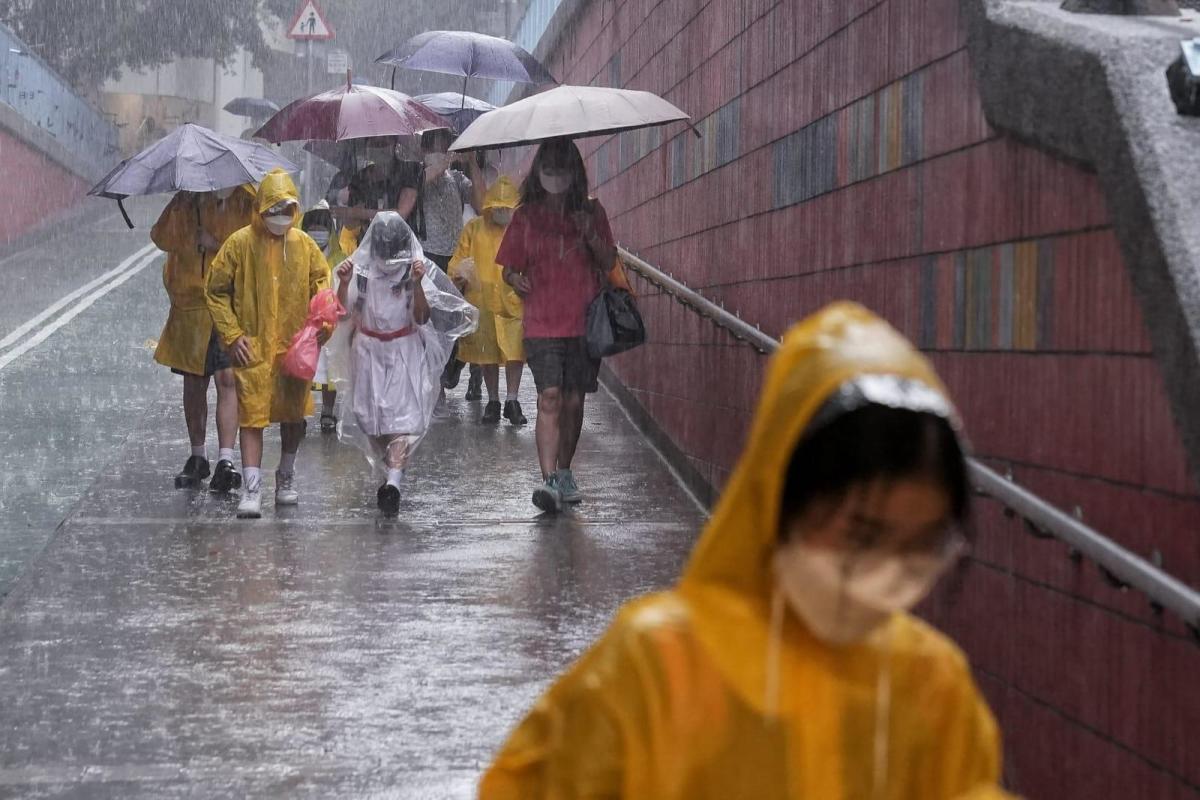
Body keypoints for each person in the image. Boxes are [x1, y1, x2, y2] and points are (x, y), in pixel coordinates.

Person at [479, 303, 1015, 800]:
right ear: (779, 497)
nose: (892, 571)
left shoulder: (932, 689)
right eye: (863, 534)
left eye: (923, 544)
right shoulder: (656, 672)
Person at [496, 137, 618, 513]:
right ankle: (549, 482)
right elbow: (508, 270)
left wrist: (589, 232)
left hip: (583, 322)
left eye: (561, 169)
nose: (555, 176)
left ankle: (565, 471)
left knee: (573, 400)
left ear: (574, 172)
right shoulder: (526, 216)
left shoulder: (592, 211)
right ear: (539, 172)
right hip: (542, 323)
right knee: (549, 397)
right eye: (548, 169)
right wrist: (517, 281)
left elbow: (610, 259)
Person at [329, 212, 476, 516]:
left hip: (403, 350)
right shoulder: (361, 273)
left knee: (403, 421)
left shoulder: (413, 272)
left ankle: (394, 482)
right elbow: (342, 315)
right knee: (372, 420)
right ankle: (390, 475)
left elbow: (422, 317)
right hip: (368, 353)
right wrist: (343, 284)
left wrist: (418, 283)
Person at [205, 169, 332, 519]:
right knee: (253, 417)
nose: (280, 218)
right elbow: (216, 291)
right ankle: (252, 486)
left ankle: (286, 475)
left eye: (287, 210)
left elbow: (322, 285)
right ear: (260, 208)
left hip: (294, 348)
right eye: (273, 210)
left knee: (294, 416)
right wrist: (232, 334)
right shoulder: (239, 244)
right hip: (254, 348)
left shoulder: (303, 246)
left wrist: (324, 323)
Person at [151, 184, 255, 492]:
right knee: (194, 383)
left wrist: (215, 243)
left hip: (229, 305)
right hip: (191, 310)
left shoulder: (246, 201)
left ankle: (226, 459)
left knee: (227, 379)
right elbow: (161, 238)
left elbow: (253, 249)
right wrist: (180, 204)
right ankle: (198, 456)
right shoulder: (187, 201)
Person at [397, 127, 485, 399]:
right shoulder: (415, 173)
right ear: (425, 148)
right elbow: (414, 192)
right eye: (437, 144)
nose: (443, 148)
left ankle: (457, 363)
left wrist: (470, 162)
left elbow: (483, 205)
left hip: (457, 257)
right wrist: (443, 161)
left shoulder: (458, 179)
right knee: (431, 322)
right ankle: (436, 382)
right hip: (428, 256)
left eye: (447, 143)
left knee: (460, 315)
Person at [448, 176, 527, 426]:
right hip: (482, 300)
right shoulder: (474, 227)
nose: (503, 212)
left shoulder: (521, 229)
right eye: (499, 207)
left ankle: (512, 400)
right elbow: (459, 259)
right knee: (487, 354)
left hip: (514, 299)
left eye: (508, 207)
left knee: (516, 352)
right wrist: (460, 274)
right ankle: (493, 401)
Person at [301, 201, 348, 432]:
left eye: (322, 227)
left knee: (330, 371)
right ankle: (298, 410)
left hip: (331, 326)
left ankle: (328, 411)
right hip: (304, 325)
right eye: (314, 227)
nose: (318, 232)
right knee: (301, 368)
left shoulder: (340, 260)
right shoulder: (299, 257)